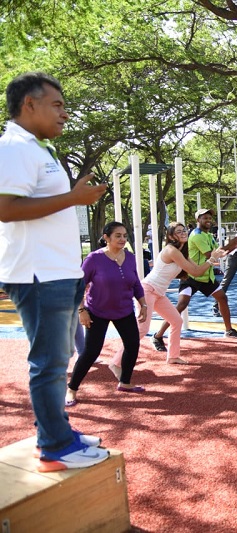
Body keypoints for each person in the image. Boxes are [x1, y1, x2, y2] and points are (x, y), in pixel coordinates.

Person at [0, 72, 109, 471]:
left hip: (56, 273)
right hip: (37, 275)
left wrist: (75, 193)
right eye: (57, 105)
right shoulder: (13, 148)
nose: (65, 113)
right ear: (29, 104)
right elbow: (5, 209)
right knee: (48, 363)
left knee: (58, 359)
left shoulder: (37, 149)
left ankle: (59, 430)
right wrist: (74, 197)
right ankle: (53, 445)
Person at [66, 222, 147, 405]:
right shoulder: (94, 259)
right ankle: (71, 389)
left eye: (125, 235)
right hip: (97, 311)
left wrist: (143, 304)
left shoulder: (131, 258)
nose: (122, 239)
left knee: (133, 344)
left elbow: (135, 283)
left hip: (124, 310)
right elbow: (80, 286)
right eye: (118, 235)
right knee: (91, 352)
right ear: (106, 237)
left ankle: (125, 382)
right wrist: (81, 310)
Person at [123, 222, 227, 364]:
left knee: (176, 320)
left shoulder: (182, 253)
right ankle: (117, 362)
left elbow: (197, 270)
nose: (183, 233)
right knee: (142, 329)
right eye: (179, 232)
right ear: (171, 236)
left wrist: (216, 256)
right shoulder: (171, 250)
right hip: (147, 290)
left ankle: (173, 356)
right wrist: (212, 258)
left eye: (184, 230)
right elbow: (196, 272)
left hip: (158, 293)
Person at [151, 209, 237, 341]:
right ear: (198, 220)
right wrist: (231, 244)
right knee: (182, 305)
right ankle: (158, 335)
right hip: (192, 276)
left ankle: (228, 330)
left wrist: (234, 246)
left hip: (205, 277)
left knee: (222, 298)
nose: (208, 220)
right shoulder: (197, 235)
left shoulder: (207, 235)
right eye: (205, 218)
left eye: (209, 218)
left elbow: (218, 254)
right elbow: (210, 256)